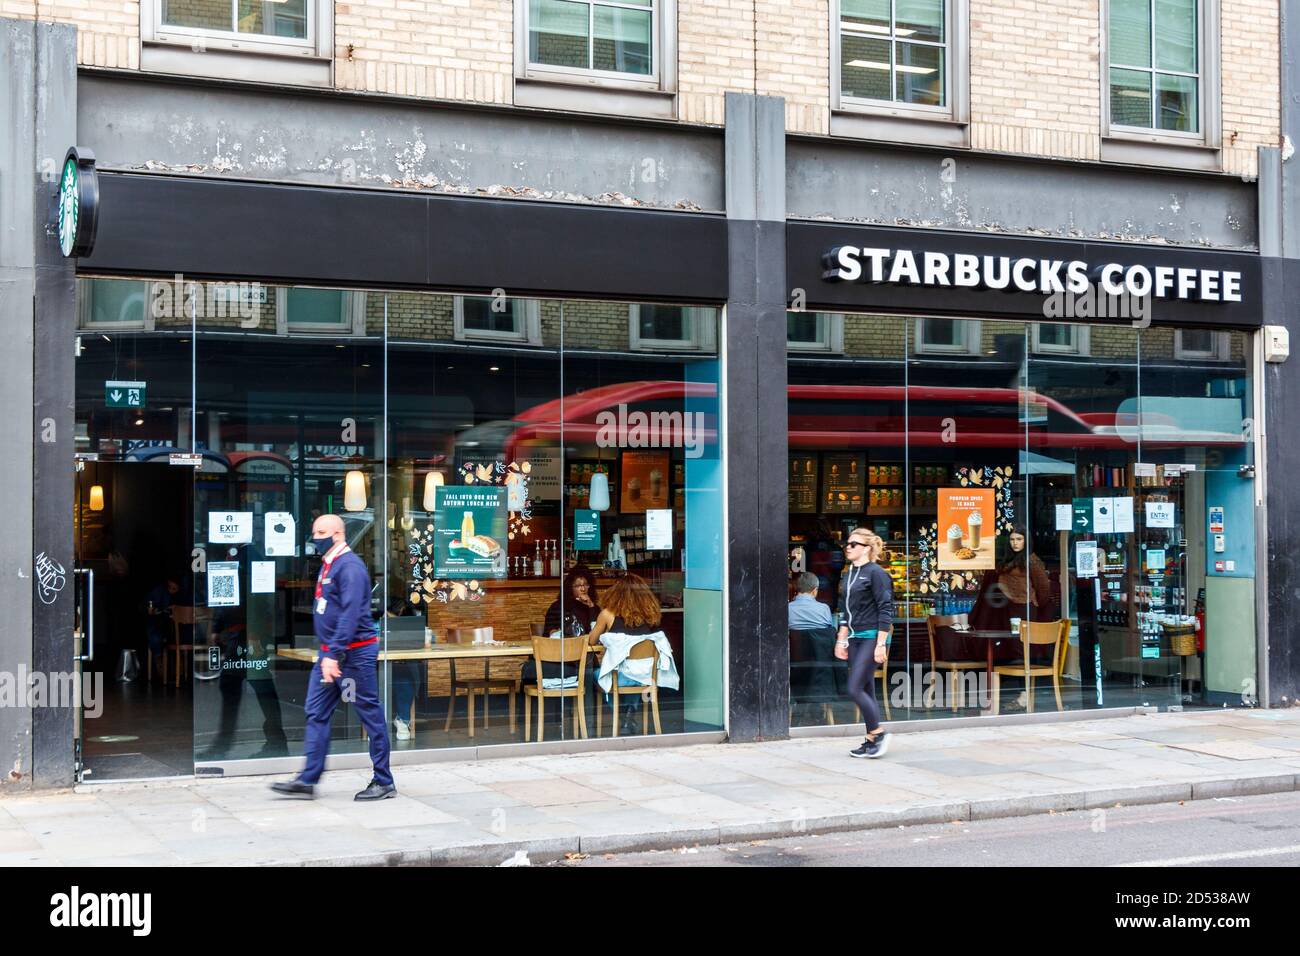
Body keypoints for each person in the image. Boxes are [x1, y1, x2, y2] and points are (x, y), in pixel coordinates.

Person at [271, 515, 395, 801]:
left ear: (339, 533)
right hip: (331, 654)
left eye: (322, 532)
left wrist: (334, 654)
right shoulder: (330, 563)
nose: (316, 537)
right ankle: (307, 780)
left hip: (352, 656)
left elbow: (350, 615)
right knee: (316, 711)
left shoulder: (349, 567)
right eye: (314, 531)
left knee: (368, 714)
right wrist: (329, 653)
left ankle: (384, 780)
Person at [586, 574, 680, 734]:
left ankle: (621, 714)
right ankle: (629, 714)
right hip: (647, 677)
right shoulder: (648, 615)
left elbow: (591, 641)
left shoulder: (607, 614)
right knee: (636, 674)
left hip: (620, 679)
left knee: (594, 675)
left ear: (615, 593)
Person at [835, 530, 893, 759]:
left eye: (853, 544)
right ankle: (871, 740)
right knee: (866, 688)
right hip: (855, 638)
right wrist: (841, 639)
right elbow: (844, 610)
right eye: (847, 544)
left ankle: (878, 733)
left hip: (872, 637)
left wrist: (881, 644)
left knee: (854, 687)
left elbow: (886, 610)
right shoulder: (849, 574)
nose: (847, 547)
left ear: (867, 548)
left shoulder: (876, 573)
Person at [970, 523, 1055, 665]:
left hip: (1023, 606)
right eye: (1012, 539)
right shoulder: (1006, 559)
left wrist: (1035, 603)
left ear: (1026, 541)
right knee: (1006, 645)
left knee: (1020, 646)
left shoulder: (1032, 560)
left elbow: (1043, 587)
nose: (1015, 543)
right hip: (1005, 607)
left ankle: (1022, 681)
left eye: (1019, 539)